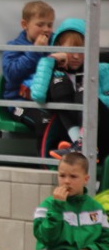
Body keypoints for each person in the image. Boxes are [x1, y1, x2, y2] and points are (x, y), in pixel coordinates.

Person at [29, 18, 109, 160]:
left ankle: (82, 142)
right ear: (59, 47)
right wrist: (51, 60)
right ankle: (78, 142)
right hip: (68, 137)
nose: (76, 56)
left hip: (101, 131)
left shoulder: (102, 69)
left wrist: (90, 98)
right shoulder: (55, 72)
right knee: (58, 84)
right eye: (72, 50)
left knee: (84, 91)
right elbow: (38, 96)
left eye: (81, 50)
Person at [33, 152, 109, 250]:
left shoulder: (96, 207)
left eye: (73, 177)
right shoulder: (48, 205)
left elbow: (106, 239)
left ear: (86, 179)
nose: (66, 181)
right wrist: (57, 208)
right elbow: (47, 238)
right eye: (62, 176)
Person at [1, 0, 55, 137]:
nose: (46, 29)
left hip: (48, 101)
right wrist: (35, 51)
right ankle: (45, 152)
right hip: (19, 104)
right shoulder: (13, 47)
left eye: (49, 25)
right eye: (40, 24)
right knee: (44, 122)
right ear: (25, 25)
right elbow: (11, 74)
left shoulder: (55, 44)